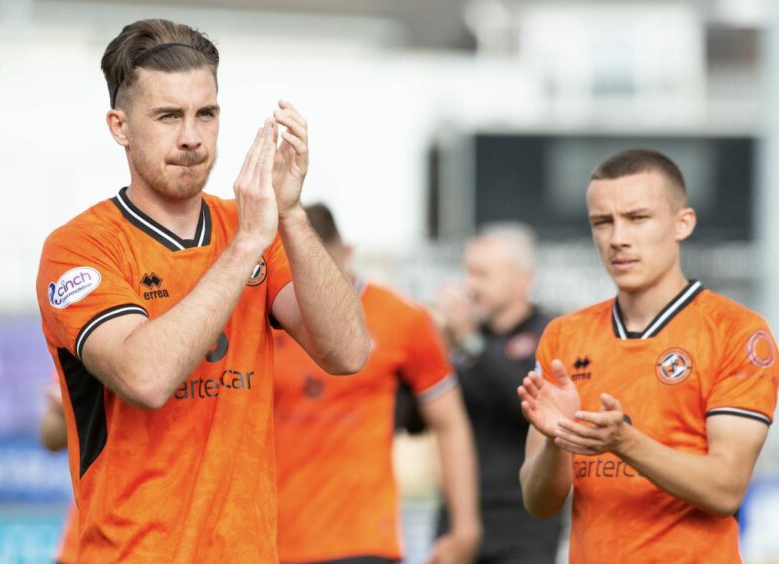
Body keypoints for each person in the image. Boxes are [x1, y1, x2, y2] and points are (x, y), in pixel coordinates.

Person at [35, 19, 369, 562]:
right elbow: (146, 377)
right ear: (120, 126)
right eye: (168, 116)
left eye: (205, 114)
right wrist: (245, 249)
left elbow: (349, 352)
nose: (191, 137)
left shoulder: (258, 225)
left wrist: (290, 214)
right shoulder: (79, 248)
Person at [518, 149, 778, 563]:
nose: (618, 238)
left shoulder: (737, 331)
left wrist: (623, 441)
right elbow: (539, 502)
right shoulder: (564, 336)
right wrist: (556, 440)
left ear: (682, 223)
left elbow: (725, 489)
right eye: (602, 222)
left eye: (637, 218)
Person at [273, 203, 481, 564]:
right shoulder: (267, 313)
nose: (315, 283)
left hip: (362, 540)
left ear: (347, 253)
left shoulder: (403, 318)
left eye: (324, 266)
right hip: (264, 540)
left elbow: (450, 424)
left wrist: (465, 528)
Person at [436, 223, 561, 563]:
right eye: (468, 273)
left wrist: (470, 342)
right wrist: (438, 352)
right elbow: (415, 420)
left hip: (522, 525)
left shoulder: (551, 334)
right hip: (457, 518)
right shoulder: (460, 341)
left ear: (523, 278)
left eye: (482, 274)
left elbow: (524, 401)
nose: (471, 286)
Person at [38, 380, 78, 564]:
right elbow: (50, 437)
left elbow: (151, 395)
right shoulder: (90, 352)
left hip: (170, 543)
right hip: (84, 543)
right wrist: (77, 407)